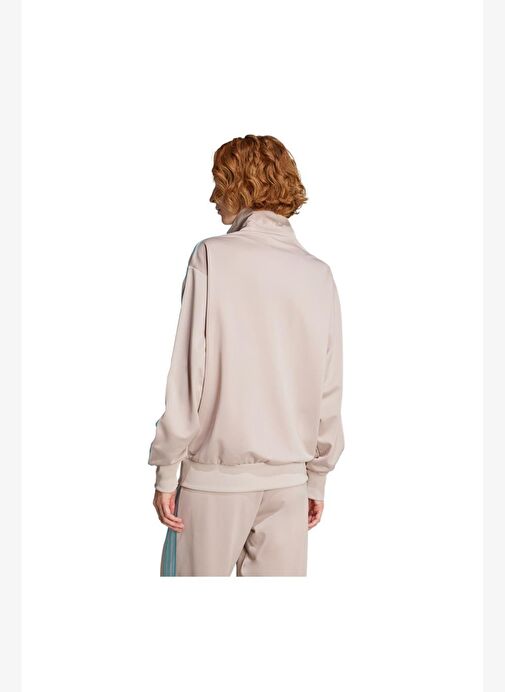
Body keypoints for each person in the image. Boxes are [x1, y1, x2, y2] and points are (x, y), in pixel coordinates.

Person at [148, 134, 345, 576]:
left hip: (213, 482)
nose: (213, 197)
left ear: (242, 185)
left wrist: (166, 470)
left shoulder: (211, 257)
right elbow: (328, 388)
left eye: (220, 183)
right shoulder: (318, 274)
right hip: (289, 486)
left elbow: (189, 373)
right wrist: (317, 478)